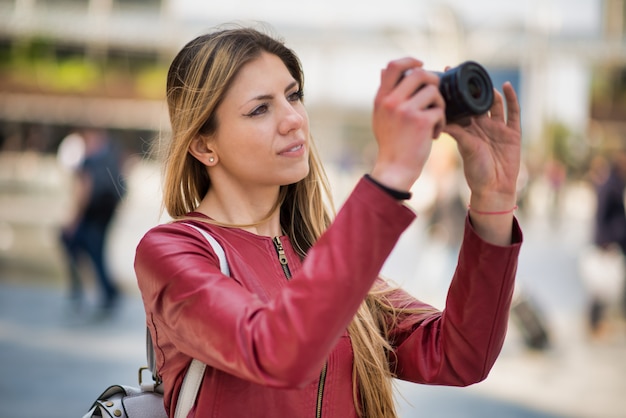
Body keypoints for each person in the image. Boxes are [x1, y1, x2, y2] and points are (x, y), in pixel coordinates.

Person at [134, 26, 523, 418]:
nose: (293, 120)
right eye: (260, 109)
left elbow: (459, 355)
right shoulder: (173, 252)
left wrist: (493, 202)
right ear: (204, 145)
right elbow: (276, 351)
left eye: (293, 96)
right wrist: (390, 175)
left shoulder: (323, 259)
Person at [60, 127, 125, 315]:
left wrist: (74, 218)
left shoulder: (90, 161)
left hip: (94, 214)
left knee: (78, 244)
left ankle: (83, 289)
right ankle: (104, 291)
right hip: (106, 212)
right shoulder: (110, 155)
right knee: (96, 251)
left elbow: (84, 191)